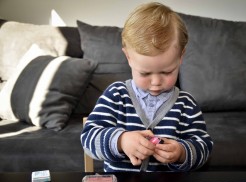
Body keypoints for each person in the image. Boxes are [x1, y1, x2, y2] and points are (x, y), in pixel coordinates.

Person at [81, 2, 213, 172]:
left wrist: (182, 152)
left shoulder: (186, 105)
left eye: (167, 72)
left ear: (181, 57)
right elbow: (89, 138)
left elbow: (204, 146)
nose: (156, 82)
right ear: (128, 57)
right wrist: (121, 141)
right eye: (145, 73)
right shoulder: (115, 95)